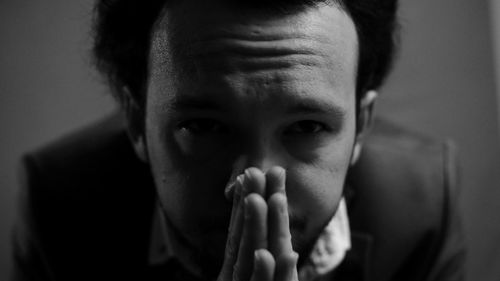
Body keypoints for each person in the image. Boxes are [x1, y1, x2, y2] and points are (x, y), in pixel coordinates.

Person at [11, 0, 466, 280]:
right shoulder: (60, 210)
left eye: (306, 127)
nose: (256, 182)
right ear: (136, 122)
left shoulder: (419, 213)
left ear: (361, 125)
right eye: (205, 126)